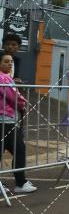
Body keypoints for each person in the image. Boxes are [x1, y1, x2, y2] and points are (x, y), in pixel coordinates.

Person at [0, 50, 36, 193]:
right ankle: (20, 183)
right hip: (5, 120)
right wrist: (23, 104)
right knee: (19, 149)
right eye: (6, 61)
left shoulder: (7, 78)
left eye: (11, 62)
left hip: (7, 120)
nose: (9, 64)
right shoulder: (3, 78)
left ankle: (21, 182)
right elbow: (13, 96)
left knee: (15, 149)